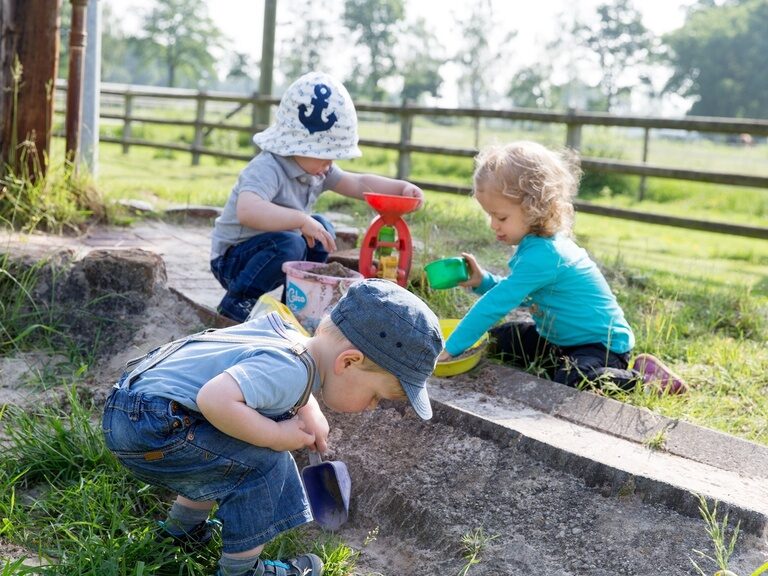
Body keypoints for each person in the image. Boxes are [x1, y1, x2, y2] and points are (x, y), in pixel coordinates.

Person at [102, 278, 444, 576]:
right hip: (155, 422)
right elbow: (214, 399)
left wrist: (308, 408)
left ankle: (180, 533)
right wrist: (278, 436)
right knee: (265, 464)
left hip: (133, 409)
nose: (372, 406)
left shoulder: (286, 339)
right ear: (348, 361)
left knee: (226, 450)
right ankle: (243, 570)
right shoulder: (291, 371)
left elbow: (259, 382)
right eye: (376, 396)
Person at [438, 141, 686, 394]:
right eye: (489, 215)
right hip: (559, 340)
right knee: (500, 338)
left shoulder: (545, 254)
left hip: (600, 346)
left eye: (501, 217)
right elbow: (521, 295)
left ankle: (646, 380)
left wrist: (453, 346)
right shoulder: (535, 246)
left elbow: (496, 304)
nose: (493, 225)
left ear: (534, 209)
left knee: (573, 379)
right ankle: (563, 362)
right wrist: (484, 281)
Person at [210, 71, 425, 322]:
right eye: (325, 156)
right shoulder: (267, 167)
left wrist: (400, 188)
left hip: (271, 252)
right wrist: (301, 220)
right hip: (234, 261)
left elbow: (358, 182)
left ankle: (294, 303)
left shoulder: (317, 170)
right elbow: (247, 210)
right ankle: (237, 303)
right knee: (293, 241)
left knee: (322, 230)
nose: (329, 164)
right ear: (298, 146)